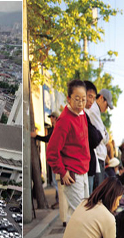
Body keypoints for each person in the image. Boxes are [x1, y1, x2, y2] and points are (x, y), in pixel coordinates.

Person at [47, 80, 91, 224]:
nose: (80, 103)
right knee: (78, 216)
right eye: (77, 99)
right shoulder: (64, 120)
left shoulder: (82, 114)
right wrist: (62, 171)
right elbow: (52, 151)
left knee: (82, 212)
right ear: (69, 99)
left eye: (83, 99)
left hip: (83, 171)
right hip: (72, 174)